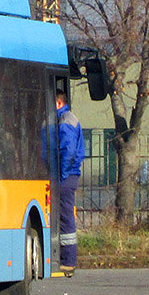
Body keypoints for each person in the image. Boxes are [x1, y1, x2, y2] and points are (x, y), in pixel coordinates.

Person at [55, 90, 85, 275]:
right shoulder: (63, 119)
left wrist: (61, 176)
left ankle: (68, 261)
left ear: (58, 103)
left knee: (65, 216)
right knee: (63, 215)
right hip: (67, 174)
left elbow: (68, 150)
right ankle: (65, 259)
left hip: (65, 175)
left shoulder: (65, 120)